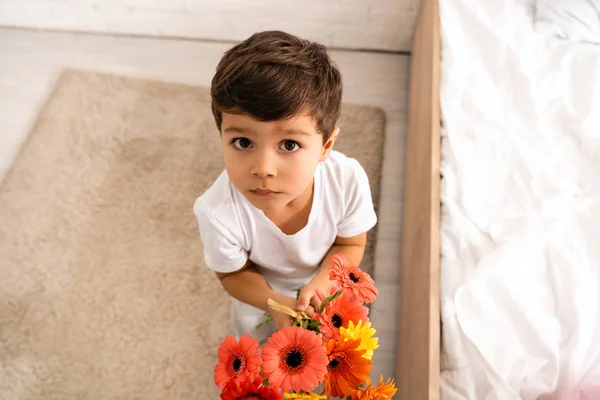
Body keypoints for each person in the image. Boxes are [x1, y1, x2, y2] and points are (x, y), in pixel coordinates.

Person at [193, 30, 378, 342]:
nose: (263, 169)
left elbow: (350, 244)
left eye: (289, 145)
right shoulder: (215, 211)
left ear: (325, 145)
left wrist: (321, 283)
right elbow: (232, 273)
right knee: (260, 344)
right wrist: (278, 305)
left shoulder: (346, 180)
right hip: (261, 295)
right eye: (242, 142)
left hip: (328, 280)